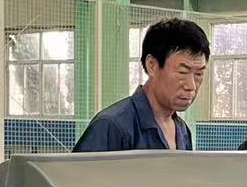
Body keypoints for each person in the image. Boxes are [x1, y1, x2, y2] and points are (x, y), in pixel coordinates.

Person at [73, 18, 209, 151]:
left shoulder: (182, 131)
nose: (191, 86)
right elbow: (74, 174)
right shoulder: (111, 126)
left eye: (198, 74)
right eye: (182, 72)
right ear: (152, 65)